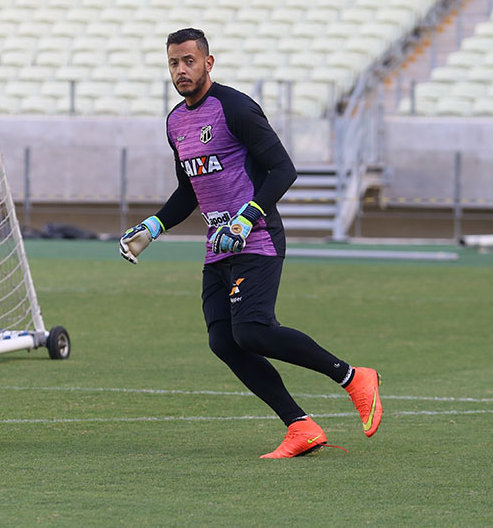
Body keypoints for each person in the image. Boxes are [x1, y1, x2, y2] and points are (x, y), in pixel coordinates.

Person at [119, 28, 382, 458]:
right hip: (217, 248)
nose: (181, 70)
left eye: (189, 60)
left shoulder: (236, 107)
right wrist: (152, 227)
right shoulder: (175, 122)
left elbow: (283, 169)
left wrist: (247, 217)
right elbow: (190, 190)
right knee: (224, 341)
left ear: (208, 62)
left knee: (253, 331)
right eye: (173, 63)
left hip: (256, 239)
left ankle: (354, 378)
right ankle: (301, 427)